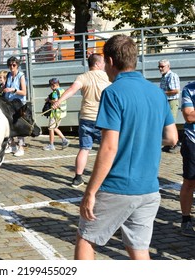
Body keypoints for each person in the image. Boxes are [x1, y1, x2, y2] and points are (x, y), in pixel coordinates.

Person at [74, 34, 178, 260]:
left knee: (86, 239)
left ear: (110, 61)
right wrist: (143, 138)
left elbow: (109, 148)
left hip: (118, 186)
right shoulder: (157, 93)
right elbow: (171, 138)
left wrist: (90, 192)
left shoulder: (112, 92)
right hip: (149, 188)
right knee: (138, 250)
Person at [53, 53, 111, 188]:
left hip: (85, 118)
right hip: (102, 119)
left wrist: (59, 101)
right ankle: (106, 177)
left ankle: (77, 178)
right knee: (106, 149)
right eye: (102, 62)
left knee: (84, 149)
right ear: (97, 64)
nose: (104, 65)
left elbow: (72, 90)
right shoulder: (107, 77)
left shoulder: (83, 77)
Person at [179, 82, 195, 237]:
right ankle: (185, 220)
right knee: (189, 181)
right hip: (192, 142)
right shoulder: (189, 89)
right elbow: (189, 115)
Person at [3, 56, 27, 157]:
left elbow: (24, 92)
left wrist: (14, 90)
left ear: (17, 65)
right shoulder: (8, 75)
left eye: (14, 65)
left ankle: (21, 147)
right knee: (9, 124)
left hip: (18, 103)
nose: (11, 67)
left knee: (19, 125)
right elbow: (5, 88)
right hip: (9, 103)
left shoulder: (21, 75)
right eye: (10, 65)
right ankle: (12, 145)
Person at [159, 59, 181, 153]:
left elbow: (176, 90)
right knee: (165, 122)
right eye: (159, 66)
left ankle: (175, 144)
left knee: (171, 122)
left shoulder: (172, 76)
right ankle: (169, 144)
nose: (160, 68)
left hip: (172, 101)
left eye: (162, 66)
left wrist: (162, 93)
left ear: (168, 66)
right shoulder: (164, 76)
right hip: (166, 101)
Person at [42, 78, 69, 151]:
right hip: (61, 113)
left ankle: (51, 145)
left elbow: (56, 102)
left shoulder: (54, 93)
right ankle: (64, 140)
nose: (50, 87)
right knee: (55, 128)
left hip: (55, 113)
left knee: (50, 128)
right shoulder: (62, 90)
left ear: (53, 85)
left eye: (50, 85)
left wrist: (49, 100)